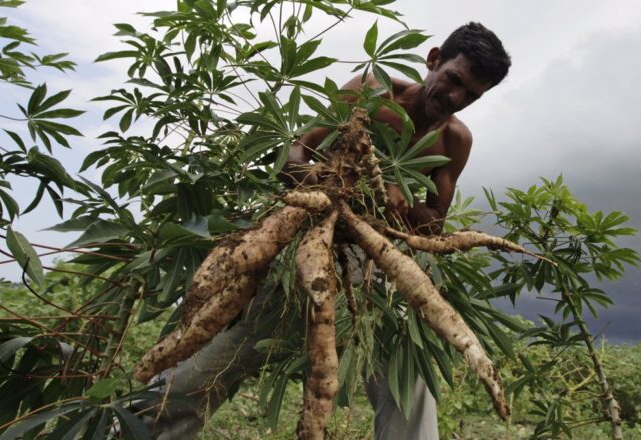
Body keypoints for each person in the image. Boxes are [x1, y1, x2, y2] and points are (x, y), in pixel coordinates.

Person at [140, 22, 511, 440]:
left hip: (375, 269)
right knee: (205, 366)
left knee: (410, 387)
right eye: (454, 80)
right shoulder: (373, 90)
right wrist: (351, 181)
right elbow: (292, 157)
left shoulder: (454, 140)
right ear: (434, 59)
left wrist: (402, 198)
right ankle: (140, 428)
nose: (456, 98)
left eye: (472, 96)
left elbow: (435, 224)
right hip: (303, 242)